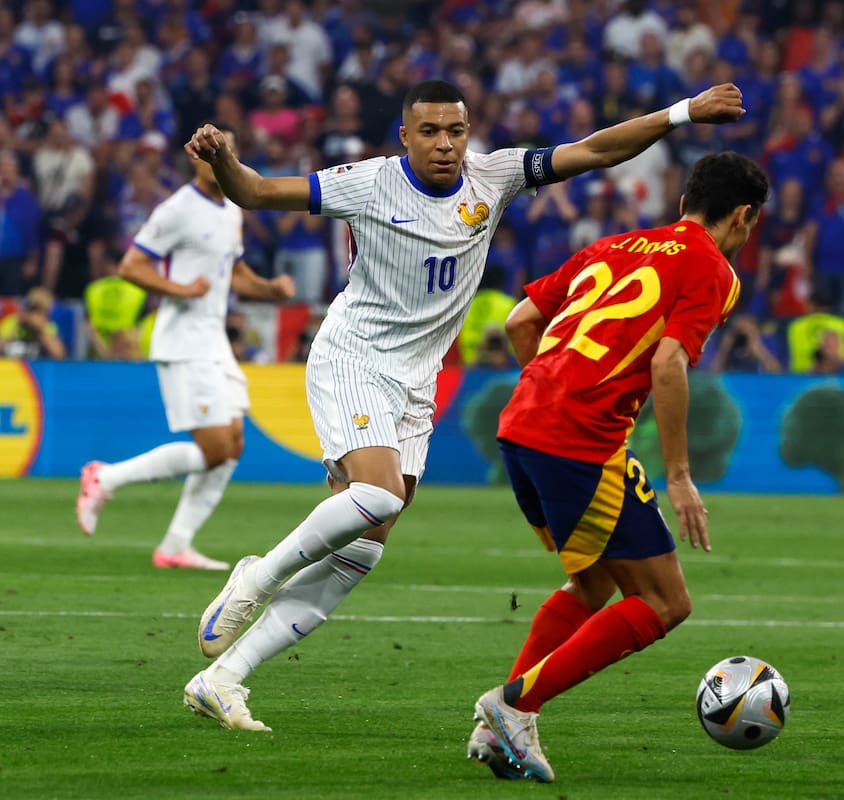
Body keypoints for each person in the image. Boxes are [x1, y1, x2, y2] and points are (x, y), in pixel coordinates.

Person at [179, 79, 747, 733]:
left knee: (362, 549)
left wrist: (681, 113)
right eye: (429, 132)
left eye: (455, 131)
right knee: (379, 496)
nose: (445, 144)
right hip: (354, 358)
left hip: (418, 381)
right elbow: (256, 191)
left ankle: (223, 678)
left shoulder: (495, 175)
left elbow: (594, 151)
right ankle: (256, 577)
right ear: (405, 136)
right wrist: (223, 160)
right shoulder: (367, 183)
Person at [469, 152, 767, 783]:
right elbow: (667, 364)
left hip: (521, 426)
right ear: (742, 215)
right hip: (579, 442)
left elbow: (521, 320)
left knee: (594, 583)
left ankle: (500, 723)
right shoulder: (713, 267)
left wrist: (550, 395)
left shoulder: (614, 245)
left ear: (687, 199)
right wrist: (681, 475)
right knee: (664, 602)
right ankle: (514, 705)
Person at [74, 130, 296, 571]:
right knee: (215, 448)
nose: (217, 157)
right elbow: (130, 265)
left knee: (232, 445)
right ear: (195, 157)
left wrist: (268, 288)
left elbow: (232, 269)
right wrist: (179, 288)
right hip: (183, 340)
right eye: (209, 150)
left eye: (225, 150)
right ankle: (106, 476)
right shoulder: (177, 209)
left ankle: (176, 545)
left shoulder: (232, 207)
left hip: (213, 339)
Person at [0, 286, 66, 359]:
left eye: (41, 313)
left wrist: (42, 330)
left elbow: (59, 355)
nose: (35, 317)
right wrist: (17, 327)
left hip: (36, 368)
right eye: (34, 311)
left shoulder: (48, 326)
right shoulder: (12, 321)